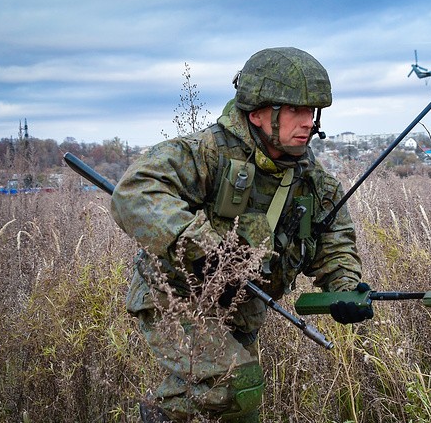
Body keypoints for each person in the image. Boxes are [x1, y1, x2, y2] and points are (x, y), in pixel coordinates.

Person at [110, 47, 373, 422]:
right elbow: (136, 189)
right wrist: (204, 249)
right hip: (176, 296)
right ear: (257, 113)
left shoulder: (311, 182)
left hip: (241, 310)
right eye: (295, 110)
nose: (307, 122)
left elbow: (335, 242)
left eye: (312, 111)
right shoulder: (210, 151)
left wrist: (346, 288)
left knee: (238, 410)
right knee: (236, 382)